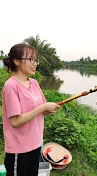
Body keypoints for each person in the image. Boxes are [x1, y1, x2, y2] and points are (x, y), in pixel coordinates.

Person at [2, 43, 60, 176]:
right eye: (31, 60)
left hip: (36, 144)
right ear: (17, 61)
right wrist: (42, 108)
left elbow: (42, 110)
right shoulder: (11, 86)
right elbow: (15, 121)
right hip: (19, 148)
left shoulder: (34, 83)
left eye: (36, 60)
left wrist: (48, 108)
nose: (35, 64)